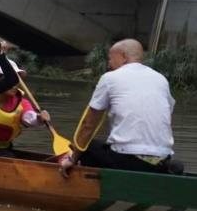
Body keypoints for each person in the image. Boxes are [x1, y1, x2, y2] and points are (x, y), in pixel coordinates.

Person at [59, 39, 181, 176]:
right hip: (163, 162)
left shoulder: (109, 78)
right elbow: (165, 114)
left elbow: (89, 124)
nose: (109, 64)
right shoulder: (161, 79)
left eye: (110, 59)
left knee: (88, 146)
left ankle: (93, 189)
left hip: (127, 161)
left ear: (123, 57)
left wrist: (73, 158)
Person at [0, 59, 51, 155]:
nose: (15, 85)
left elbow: (29, 117)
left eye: (17, 80)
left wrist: (39, 117)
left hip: (4, 149)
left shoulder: (22, 102)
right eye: (10, 81)